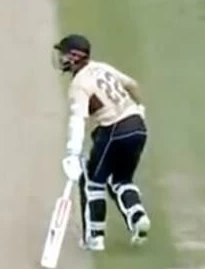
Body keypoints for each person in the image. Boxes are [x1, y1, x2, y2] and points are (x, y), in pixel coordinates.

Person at [54, 34, 151, 252]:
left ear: (74, 57)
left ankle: (95, 238)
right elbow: (132, 85)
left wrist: (73, 152)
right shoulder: (101, 67)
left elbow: (78, 119)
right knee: (121, 179)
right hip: (138, 126)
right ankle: (137, 217)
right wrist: (140, 108)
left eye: (64, 54)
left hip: (114, 129)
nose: (61, 59)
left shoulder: (79, 85)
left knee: (93, 181)